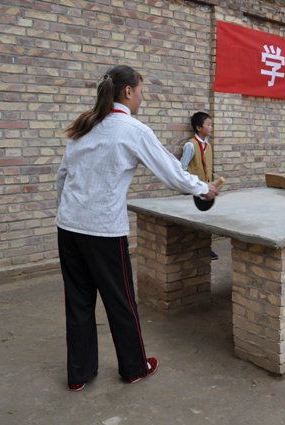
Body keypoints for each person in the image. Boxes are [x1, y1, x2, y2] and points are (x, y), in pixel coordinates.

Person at [56, 65, 218, 391]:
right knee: (121, 301)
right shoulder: (131, 129)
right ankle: (133, 367)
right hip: (104, 231)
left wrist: (67, 213)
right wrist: (203, 188)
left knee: (78, 301)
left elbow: (63, 176)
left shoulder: (84, 126)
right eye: (141, 92)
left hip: (69, 227)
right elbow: (170, 170)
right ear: (128, 91)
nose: (142, 99)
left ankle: (79, 375)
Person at [181, 112, 219, 260]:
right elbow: (182, 169)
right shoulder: (190, 145)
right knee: (194, 221)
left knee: (206, 219)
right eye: (208, 124)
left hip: (205, 190)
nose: (211, 127)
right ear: (198, 127)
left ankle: (205, 248)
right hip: (194, 190)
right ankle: (195, 248)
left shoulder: (208, 146)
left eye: (211, 124)